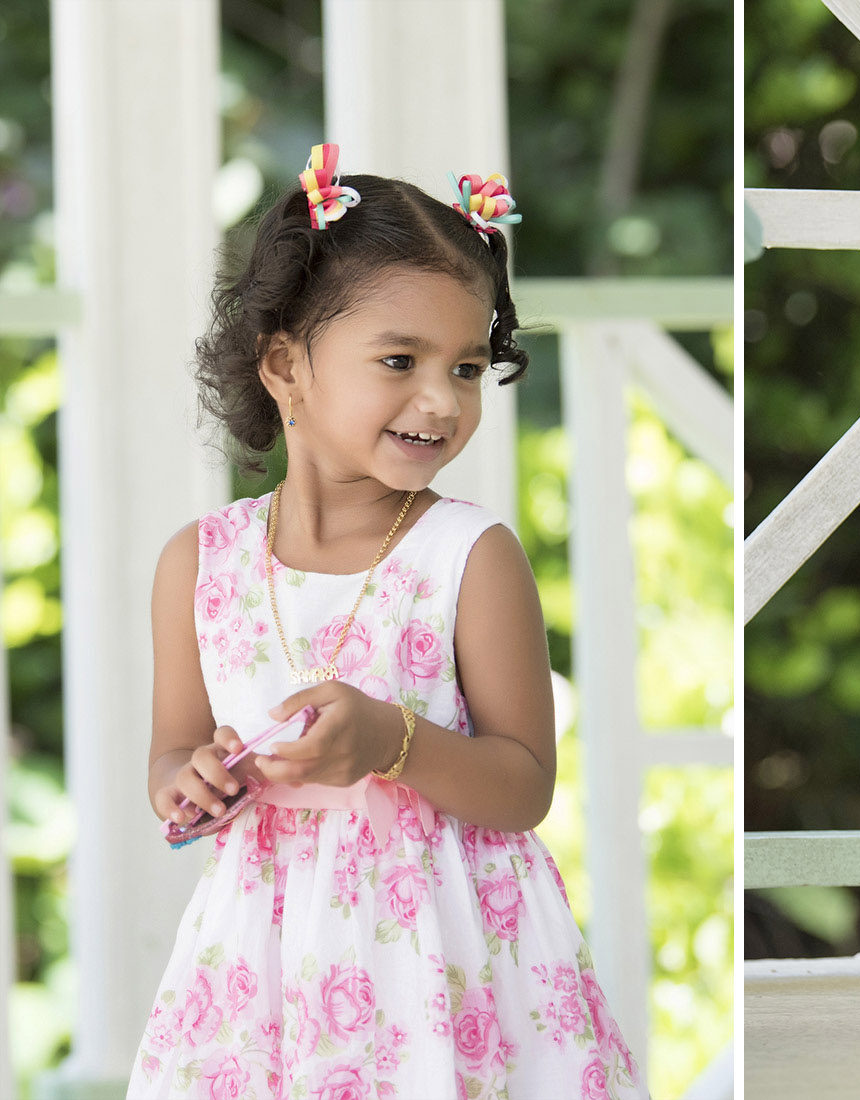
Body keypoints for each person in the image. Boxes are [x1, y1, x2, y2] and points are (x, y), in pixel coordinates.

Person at [135, 144, 643, 1096]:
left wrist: (390, 741)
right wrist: (189, 781)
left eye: (466, 368)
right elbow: (172, 754)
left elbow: (523, 785)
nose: (440, 400)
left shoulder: (468, 556)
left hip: (444, 963)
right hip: (267, 966)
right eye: (400, 361)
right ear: (286, 366)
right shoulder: (200, 566)